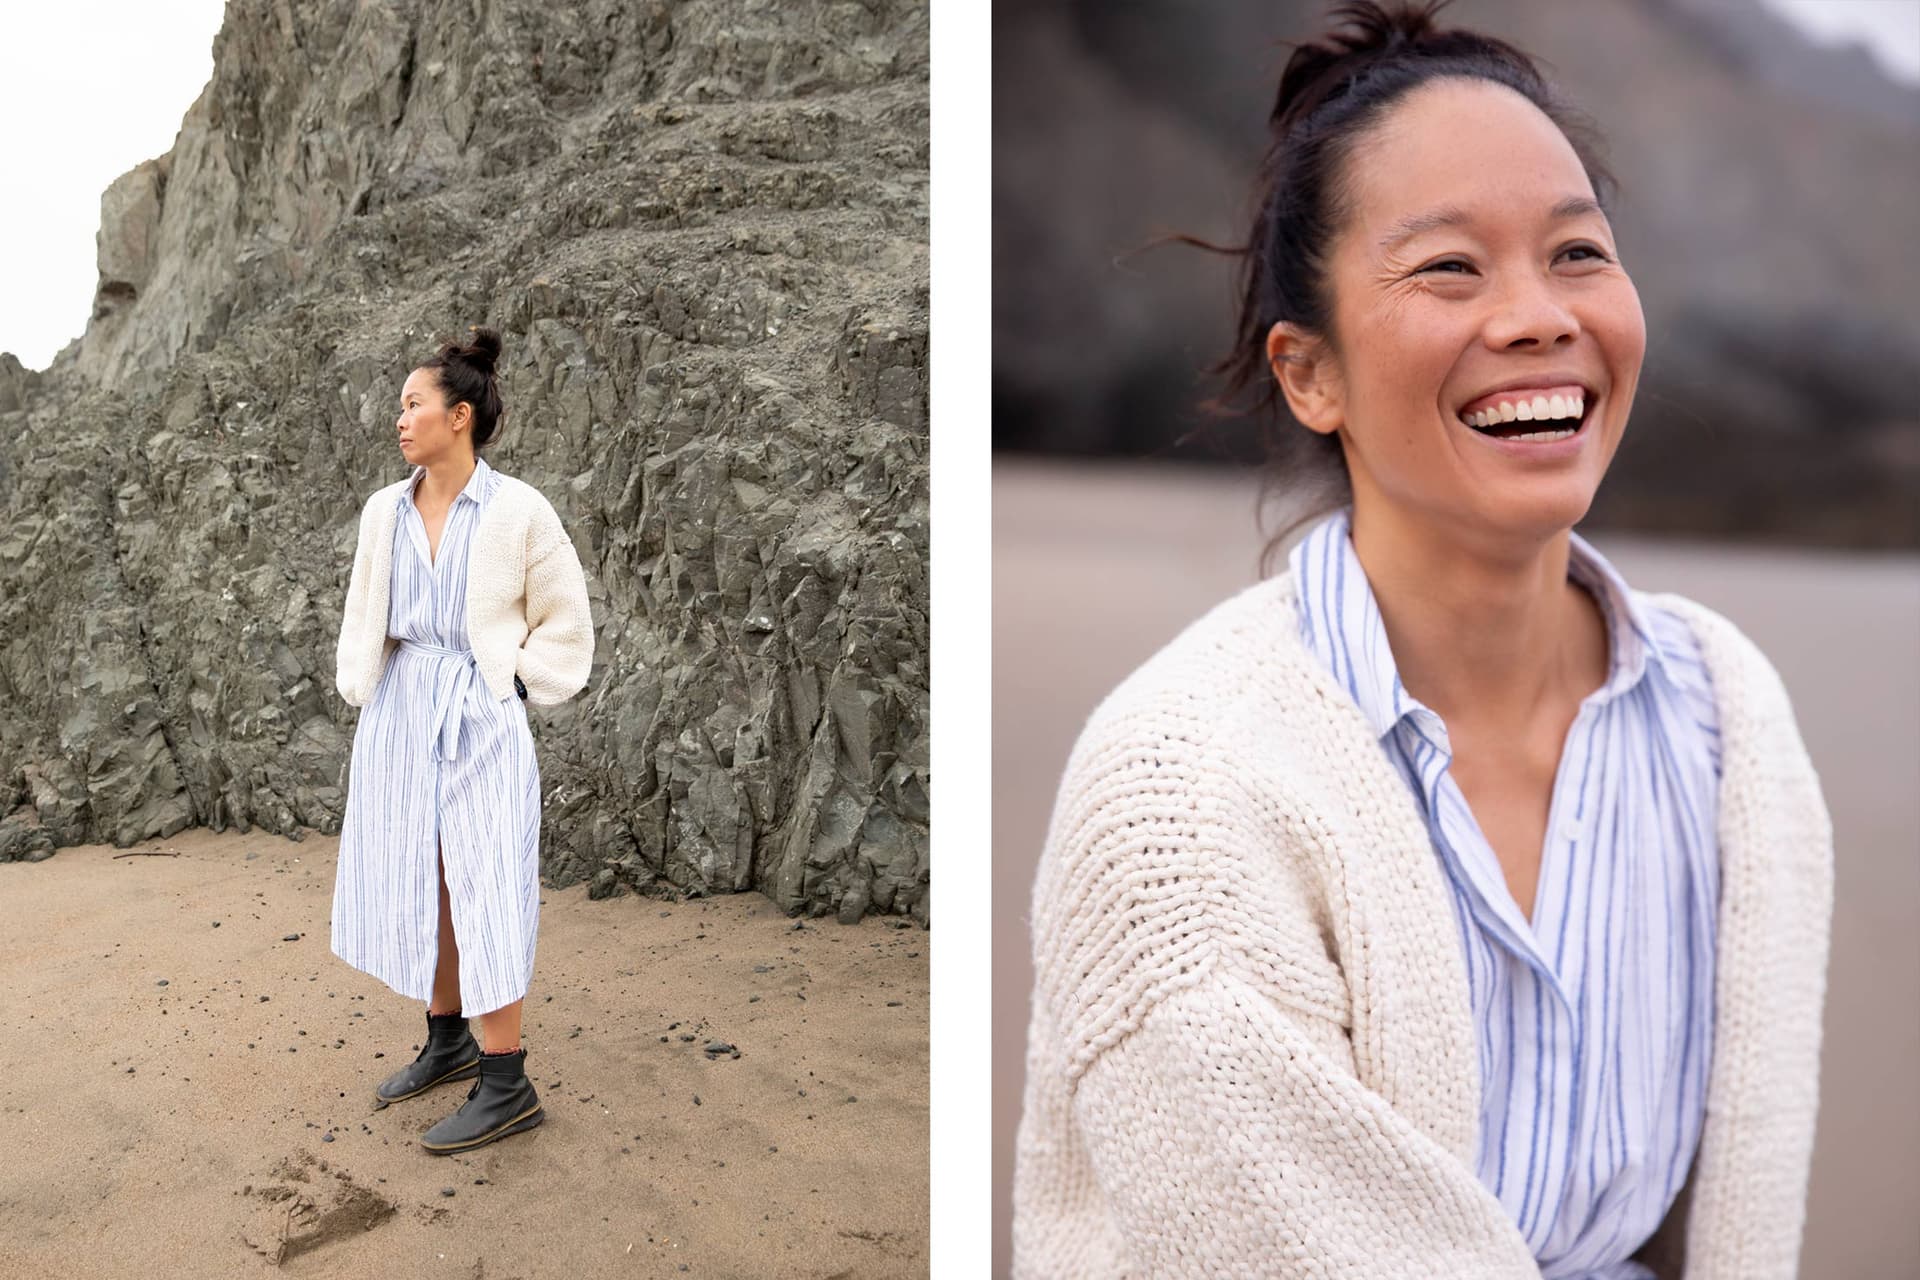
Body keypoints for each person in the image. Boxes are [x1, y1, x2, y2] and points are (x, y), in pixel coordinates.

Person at [1010, 2, 1833, 1276]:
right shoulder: (1179, 788)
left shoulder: (1726, 718)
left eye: (1577, 254)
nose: (1536, 316)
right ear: (1308, 373)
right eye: (1449, 266)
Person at [330, 324, 594, 1155]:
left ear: (461, 417)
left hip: (479, 708)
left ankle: (507, 1081)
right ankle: (447, 1041)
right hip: (403, 708)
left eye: (415, 404)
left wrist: (514, 680)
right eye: (401, 406)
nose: (400, 419)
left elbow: (566, 617)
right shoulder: (386, 510)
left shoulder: (517, 509)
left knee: (487, 879)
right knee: (425, 874)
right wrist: (366, 686)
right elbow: (363, 609)